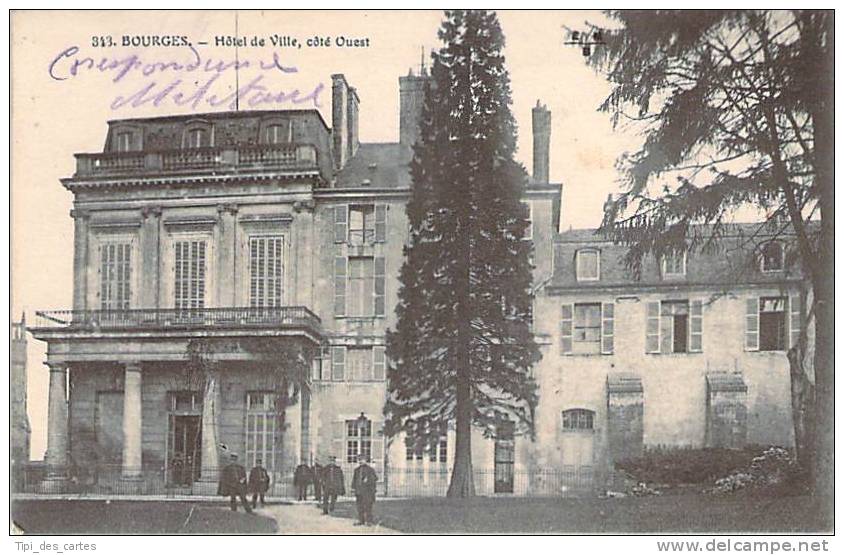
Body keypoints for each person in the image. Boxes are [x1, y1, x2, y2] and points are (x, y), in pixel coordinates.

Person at [351, 455, 378, 526]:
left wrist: (368, 480)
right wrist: (353, 488)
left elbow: (375, 479)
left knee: (368, 506)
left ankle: (369, 521)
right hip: (359, 491)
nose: (361, 461)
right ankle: (361, 520)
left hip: (367, 492)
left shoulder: (370, 470)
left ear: (366, 460)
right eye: (359, 460)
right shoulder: (356, 470)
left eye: (362, 459)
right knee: (360, 507)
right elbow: (354, 480)